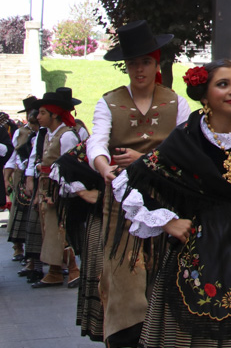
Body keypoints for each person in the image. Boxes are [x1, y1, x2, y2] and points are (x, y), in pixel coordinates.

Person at [113, 59, 231, 348]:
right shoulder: (185, 138)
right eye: (224, 84)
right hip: (198, 248)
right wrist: (167, 221)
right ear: (204, 95)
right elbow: (132, 181)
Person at [87, 20, 190, 347]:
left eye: (145, 61)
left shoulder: (176, 102)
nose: (139, 69)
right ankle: (125, 340)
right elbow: (97, 142)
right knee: (124, 278)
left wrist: (146, 160)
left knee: (166, 275)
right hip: (123, 201)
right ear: (126, 66)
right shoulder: (109, 102)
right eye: (133, 63)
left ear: (156, 62)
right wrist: (103, 166)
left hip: (168, 199)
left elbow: (189, 149)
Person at [55, 115, 108, 341]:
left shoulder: (161, 140)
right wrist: (83, 191)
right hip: (104, 221)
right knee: (104, 283)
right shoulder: (99, 142)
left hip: (153, 226)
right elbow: (62, 166)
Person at [29, 87, 86, 288]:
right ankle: (54, 271)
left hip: (58, 190)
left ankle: (73, 270)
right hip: (46, 188)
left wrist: (59, 190)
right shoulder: (48, 134)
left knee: (60, 230)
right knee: (49, 232)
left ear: (54, 114)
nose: (38, 116)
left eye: (43, 112)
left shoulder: (66, 136)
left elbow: (69, 166)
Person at [6, 96, 40, 269]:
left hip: (35, 175)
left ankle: (33, 255)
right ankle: (18, 247)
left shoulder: (42, 132)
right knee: (19, 211)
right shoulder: (21, 132)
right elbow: (13, 155)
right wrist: (7, 177)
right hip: (22, 174)